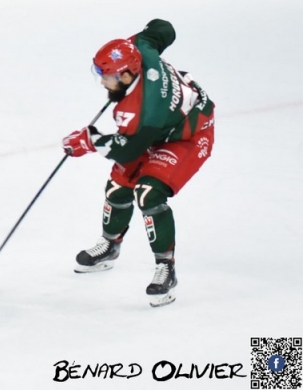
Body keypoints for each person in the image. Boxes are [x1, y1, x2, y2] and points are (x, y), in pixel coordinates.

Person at [61, 19, 215, 307]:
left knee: (148, 191)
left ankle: (166, 267)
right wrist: (139, 40)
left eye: (108, 78)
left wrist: (89, 140)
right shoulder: (141, 49)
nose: (104, 83)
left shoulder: (145, 112)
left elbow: (127, 149)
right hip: (161, 125)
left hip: (188, 136)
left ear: (129, 75)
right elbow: (163, 28)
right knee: (118, 186)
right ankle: (110, 245)